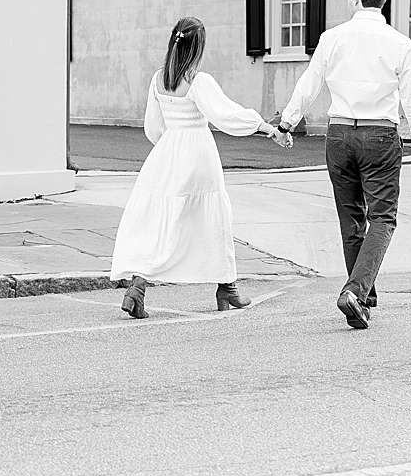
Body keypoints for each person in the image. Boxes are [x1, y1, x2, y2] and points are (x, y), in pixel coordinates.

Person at [278, 0, 411, 330]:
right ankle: (356, 291)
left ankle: (362, 294)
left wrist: (287, 122)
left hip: (340, 134)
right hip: (380, 135)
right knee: (382, 217)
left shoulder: (332, 38)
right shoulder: (399, 43)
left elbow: (309, 84)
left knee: (351, 218)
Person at [110, 16, 292, 319]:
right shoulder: (198, 80)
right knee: (214, 217)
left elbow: (153, 129)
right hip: (197, 154)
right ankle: (222, 286)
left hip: (167, 153)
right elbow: (226, 116)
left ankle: (142, 285)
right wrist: (266, 128)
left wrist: (169, 148)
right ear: (198, 47)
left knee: (165, 222)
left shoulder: (158, 79)